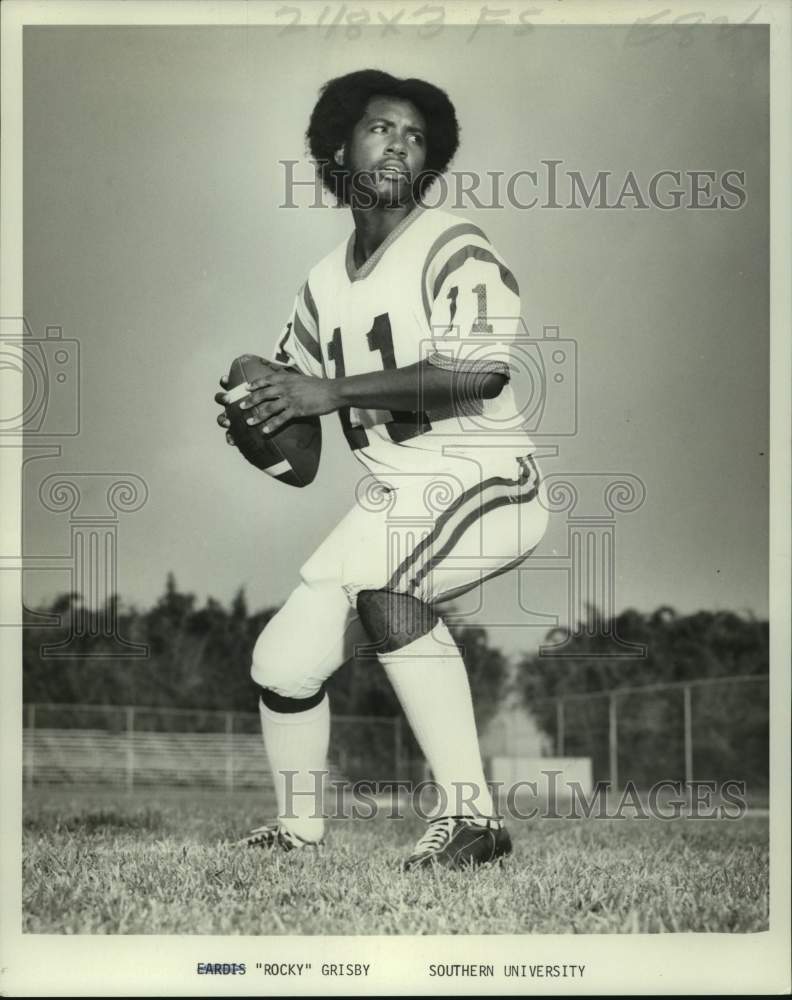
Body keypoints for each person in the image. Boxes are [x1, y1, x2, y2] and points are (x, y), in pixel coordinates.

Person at [215, 69, 548, 870]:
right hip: (396, 494)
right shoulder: (322, 285)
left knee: (390, 594)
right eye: (380, 127)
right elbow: (301, 461)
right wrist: (254, 423)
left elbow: (479, 373)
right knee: (283, 661)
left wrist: (324, 389)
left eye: (415, 134)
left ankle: (473, 819)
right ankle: (298, 833)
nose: (399, 141)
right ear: (340, 146)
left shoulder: (452, 241)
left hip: (486, 474)